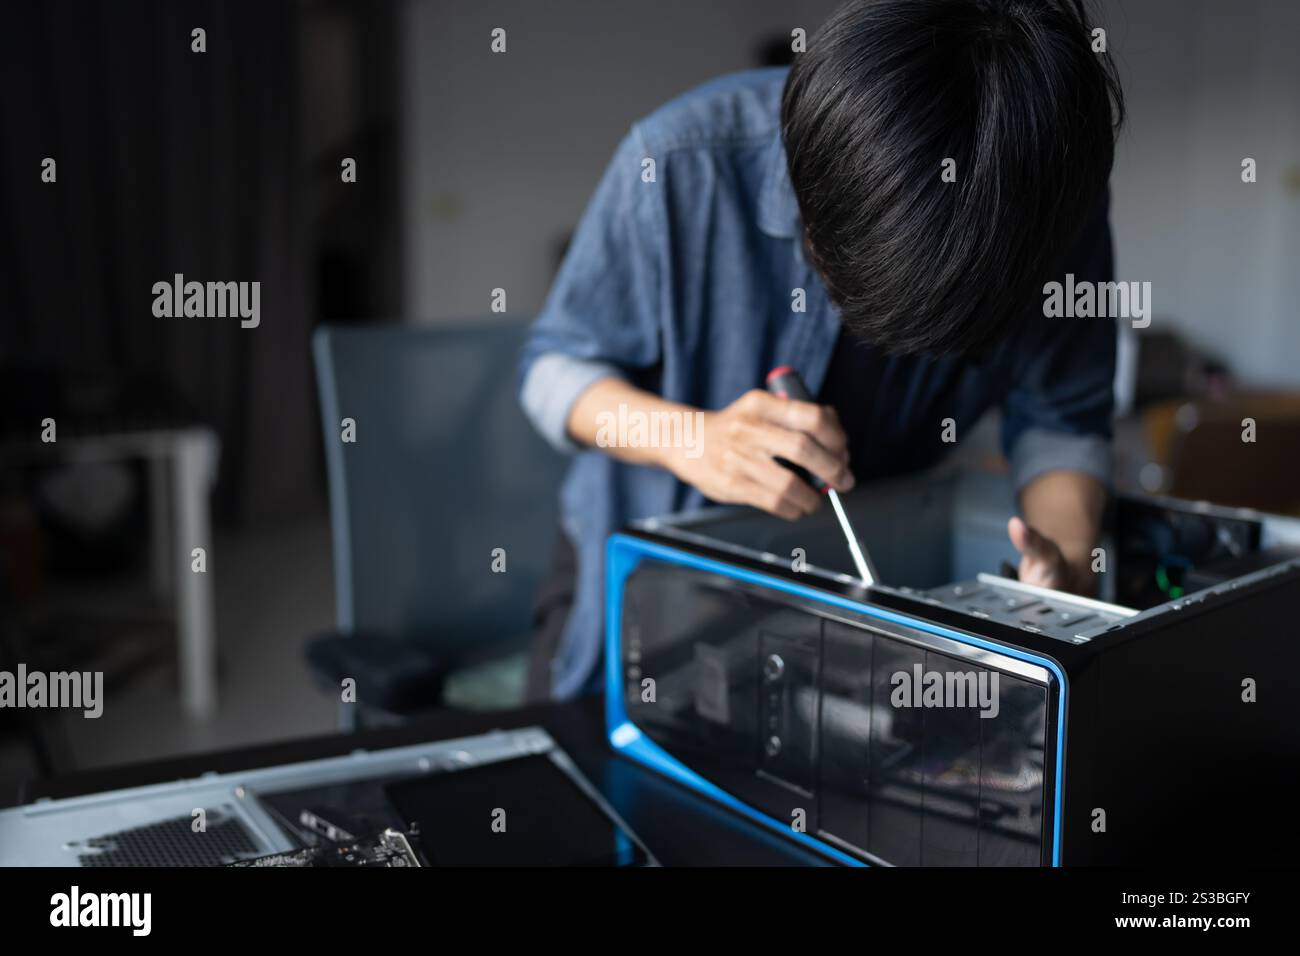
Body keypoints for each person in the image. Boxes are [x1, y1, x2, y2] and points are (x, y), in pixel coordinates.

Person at [519, 0, 1124, 701]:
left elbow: (1061, 417)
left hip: (860, 584)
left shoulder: (1050, 199)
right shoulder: (679, 164)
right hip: (637, 576)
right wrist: (689, 438)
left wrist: (1064, 580)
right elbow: (551, 371)